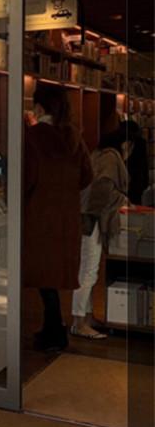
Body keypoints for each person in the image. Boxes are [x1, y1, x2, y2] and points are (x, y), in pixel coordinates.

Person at [23, 82, 93, 352]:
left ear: (40, 107)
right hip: (66, 219)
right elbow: (86, 176)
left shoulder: (33, 137)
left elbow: (26, 177)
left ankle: (54, 330)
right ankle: (54, 328)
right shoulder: (74, 137)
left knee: (42, 275)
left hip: (39, 217)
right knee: (52, 277)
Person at [70, 127, 131, 338]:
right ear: (126, 144)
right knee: (89, 271)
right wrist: (121, 199)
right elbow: (102, 189)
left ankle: (86, 317)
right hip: (92, 219)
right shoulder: (111, 158)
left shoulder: (98, 154)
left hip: (85, 216)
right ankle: (79, 322)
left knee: (87, 269)